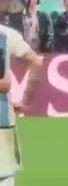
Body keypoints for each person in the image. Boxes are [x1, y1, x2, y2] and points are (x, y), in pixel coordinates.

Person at [0, 20, 43, 182]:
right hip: (2, 120)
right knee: (4, 177)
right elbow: (36, 62)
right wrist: (26, 101)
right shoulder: (6, 34)